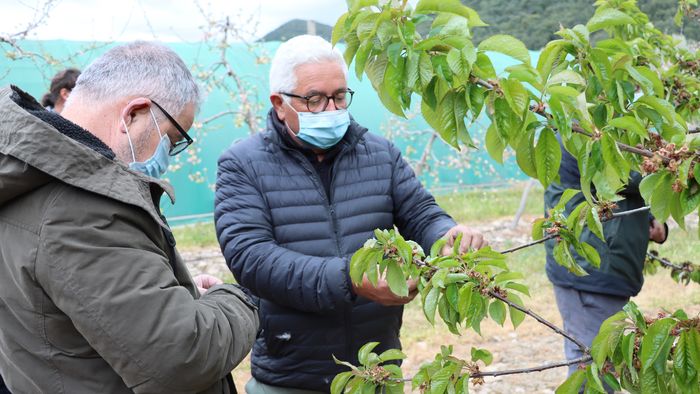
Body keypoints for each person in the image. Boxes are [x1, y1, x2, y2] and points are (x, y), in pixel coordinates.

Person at [214, 34, 488, 393]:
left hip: (377, 370)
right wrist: (350, 279)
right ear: (279, 104)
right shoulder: (243, 165)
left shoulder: (379, 154)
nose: (331, 109)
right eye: (314, 99)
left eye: (340, 96)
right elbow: (252, 258)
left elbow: (420, 213)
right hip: (292, 373)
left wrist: (446, 234)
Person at [0, 41, 259, 394]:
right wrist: (235, 299)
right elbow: (182, 357)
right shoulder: (81, 210)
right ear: (133, 114)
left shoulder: (29, 179)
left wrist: (176, 293)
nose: (170, 156)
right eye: (172, 139)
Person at [544, 137, 667, 391]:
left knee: (599, 364)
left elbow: (618, 194)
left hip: (603, 270)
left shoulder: (606, 129)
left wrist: (652, 220)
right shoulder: (581, 131)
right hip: (590, 270)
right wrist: (675, 164)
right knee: (595, 370)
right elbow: (626, 175)